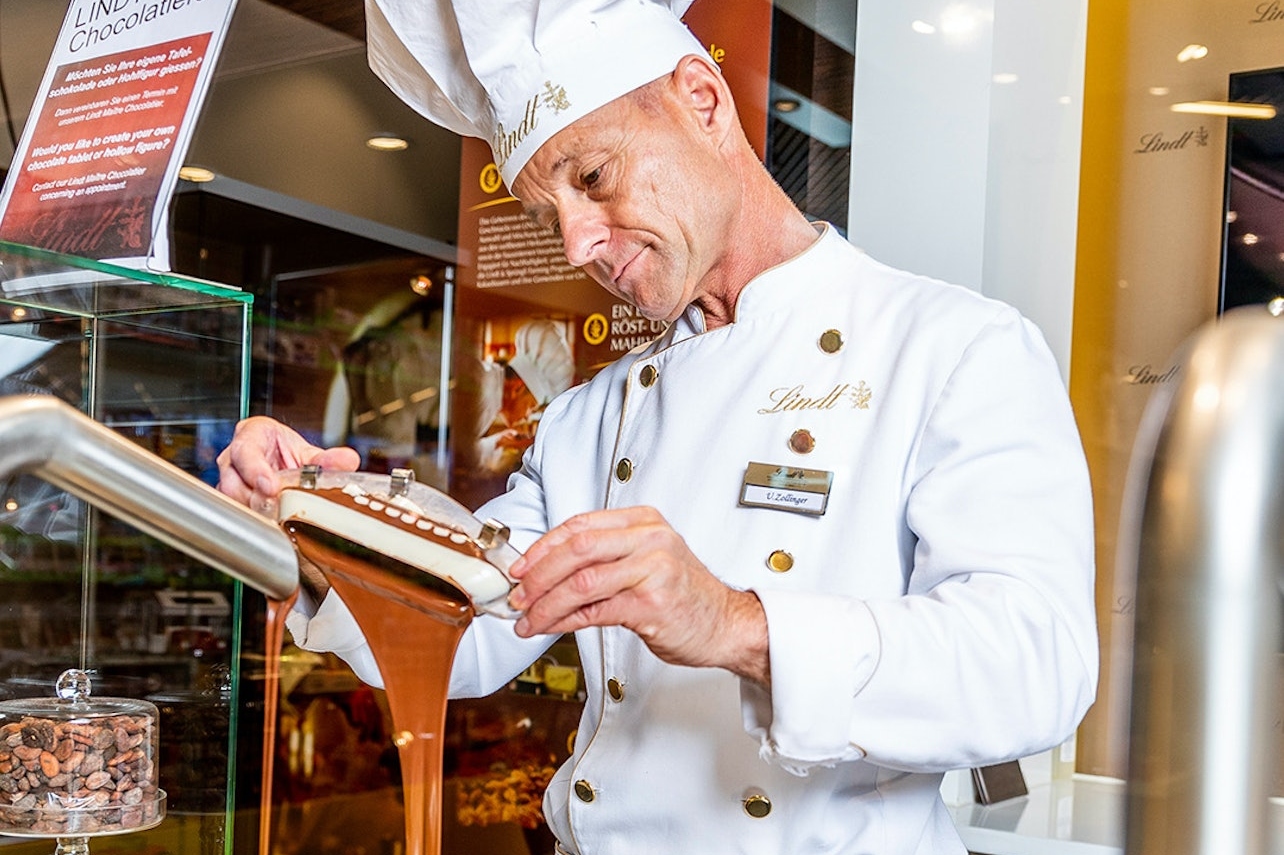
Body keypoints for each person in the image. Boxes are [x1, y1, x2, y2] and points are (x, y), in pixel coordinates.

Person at [217, 1, 1099, 852]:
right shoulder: (591, 417)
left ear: (703, 101)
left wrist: (734, 625)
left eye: (593, 177)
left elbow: (1036, 664)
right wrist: (323, 521)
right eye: (544, 214)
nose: (574, 245)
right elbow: (470, 621)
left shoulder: (953, 348)